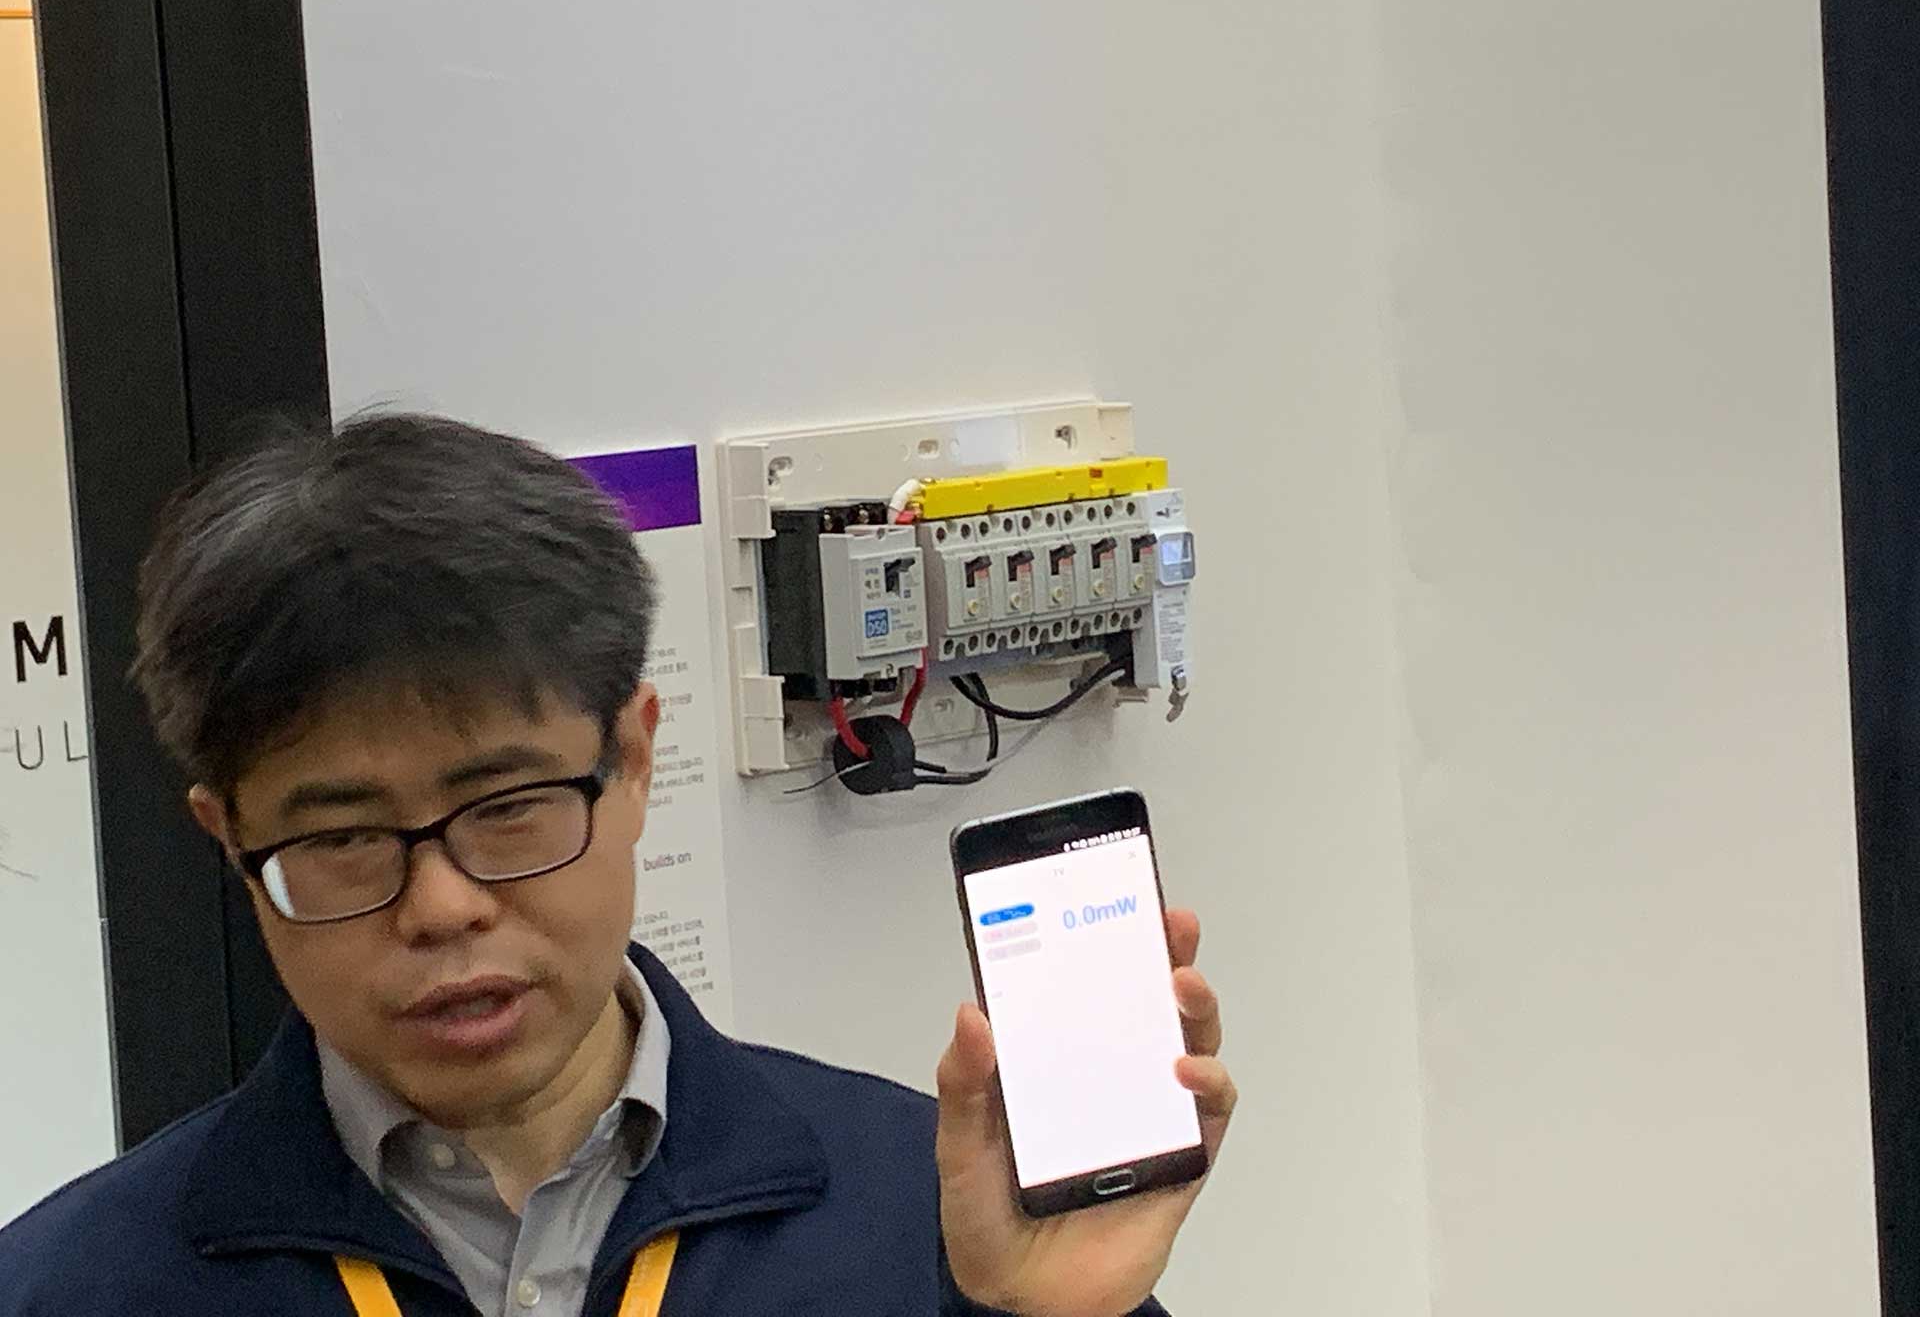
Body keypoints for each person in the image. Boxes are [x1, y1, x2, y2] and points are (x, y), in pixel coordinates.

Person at [0, 414, 1235, 1316]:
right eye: (341, 840)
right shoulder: (72, 1288)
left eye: (509, 808)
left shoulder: (924, 1217)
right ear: (229, 839)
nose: (441, 907)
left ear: (635, 760)